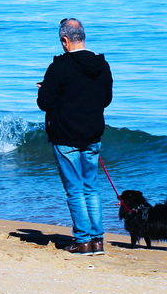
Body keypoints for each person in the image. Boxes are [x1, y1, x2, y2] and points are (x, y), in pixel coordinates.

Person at [37, 18, 113, 255]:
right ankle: (97, 240)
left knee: (75, 190)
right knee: (91, 187)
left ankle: (82, 240)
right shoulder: (102, 65)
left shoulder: (59, 67)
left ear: (65, 40)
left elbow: (44, 103)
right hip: (92, 134)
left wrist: (44, 89)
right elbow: (106, 99)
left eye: (62, 42)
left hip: (66, 137)